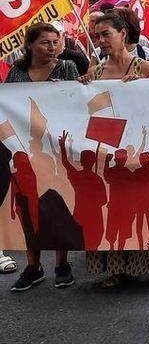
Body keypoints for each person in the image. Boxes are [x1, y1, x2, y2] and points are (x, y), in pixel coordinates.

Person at [81, 14, 149, 289]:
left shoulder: (143, 67)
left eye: (106, 34)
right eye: (97, 36)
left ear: (123, 34)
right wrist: (79, 88)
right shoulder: (94, 72)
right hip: (108, 155)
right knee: (113, 211)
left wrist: (144, 88)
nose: (101, 41)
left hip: (140, 152)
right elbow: (85, 113)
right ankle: (115, 267)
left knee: (145, 208)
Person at [6, 22, 80, 291]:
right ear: (29, 45)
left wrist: (67, 91)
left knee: (57, 206)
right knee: (28, 209)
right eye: (45, 42)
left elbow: (78, 105)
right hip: (24, 151)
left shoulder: (67, 67)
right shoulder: (17, 72)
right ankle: (33, 266)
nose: (51, 47)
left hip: (57, 150)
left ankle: (62, 264)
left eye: (55, 41)